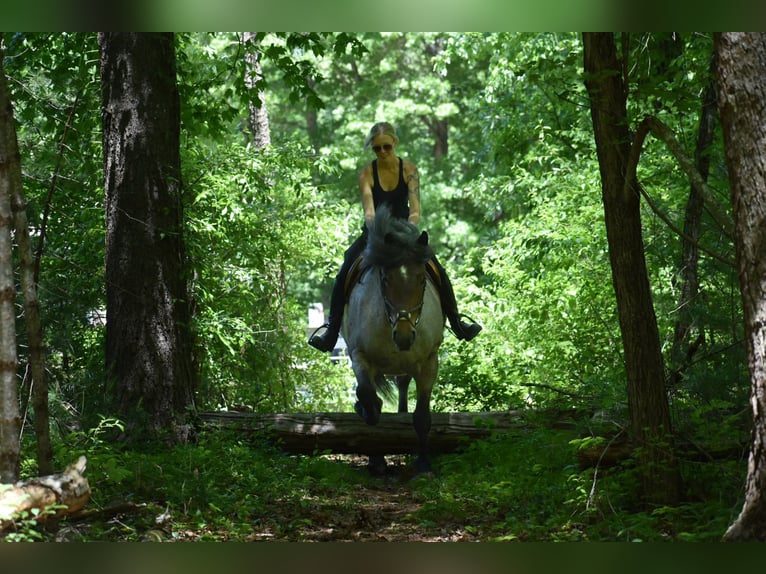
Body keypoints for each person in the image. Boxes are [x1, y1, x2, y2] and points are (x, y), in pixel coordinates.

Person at [308, 121, 481, 352]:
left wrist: (408, 231)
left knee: (437, 269)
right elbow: (369, 212)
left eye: (386, 147)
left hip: (405, 232)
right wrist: (379, 233)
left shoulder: (409, 170)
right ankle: (331, 331)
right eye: (377, 148)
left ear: (395, 143)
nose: (382, 152)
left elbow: (415, 209)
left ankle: (457, 322)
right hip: (375, 233)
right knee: (345, 270)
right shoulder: (367, 174)